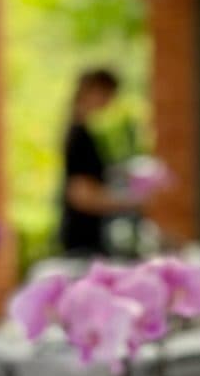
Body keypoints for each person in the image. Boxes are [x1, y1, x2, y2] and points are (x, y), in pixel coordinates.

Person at [57, 67, 139, 257]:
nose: (110, 101)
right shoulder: (79, 136)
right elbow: (81, 194)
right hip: (82, 237)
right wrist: (130, 202)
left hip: (89, 234)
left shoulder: (84, 132)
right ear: (92, 91)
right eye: (108, 94)